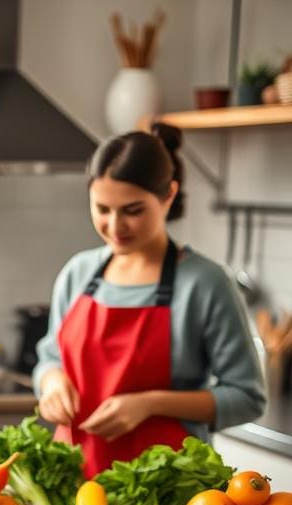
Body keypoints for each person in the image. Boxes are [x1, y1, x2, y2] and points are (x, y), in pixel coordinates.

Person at [34, 122, 266, 477]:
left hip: (169, 488)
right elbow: (50, 358)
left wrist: (150, 404)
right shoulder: (78, 272)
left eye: (133, 210)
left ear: (168, 195)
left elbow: (247, 397)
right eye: (102, 209)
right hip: (74, 482)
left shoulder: (206, 283)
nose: (115, 226)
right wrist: (51, 383)